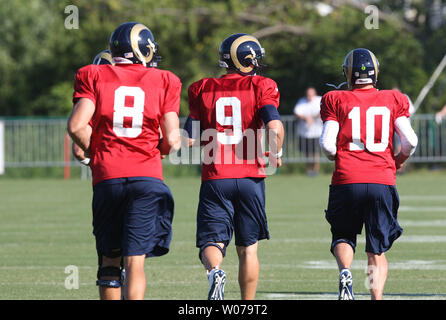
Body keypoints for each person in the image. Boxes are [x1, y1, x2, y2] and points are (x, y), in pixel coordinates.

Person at [67, 22, 182, 300]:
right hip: (147, 178)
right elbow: (173, 139)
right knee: (135, 263)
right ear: (144, 48)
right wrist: (159, 150)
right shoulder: (165, 80)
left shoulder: (93, 74)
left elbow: (76, 127)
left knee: (109, 260)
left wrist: (100, 153)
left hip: (108, 179)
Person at [184, 33, 284, 300]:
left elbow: (189, 138)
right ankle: (246, 304)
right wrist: (276, 152)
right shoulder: (261, 85)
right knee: (248, 248)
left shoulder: (202, 88)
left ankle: (215, 272)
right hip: (251, 177)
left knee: (211, 241)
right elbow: (274, 126)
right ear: (251, 59)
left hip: (216, 176)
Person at [319, 48, 418, 300]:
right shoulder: (393, 99)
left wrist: (335, 157)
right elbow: (411, 141)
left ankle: (345, 272)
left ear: (349, 73)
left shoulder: (335, 98)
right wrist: (398, 161)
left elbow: (328, 145)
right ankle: (376, 297)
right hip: (380, 180)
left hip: (346, 180)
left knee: (343, 235)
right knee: (377, 249)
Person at [72, 50, 114, 166]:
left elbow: (78, 151)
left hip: (109, 173)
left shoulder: (93, 102)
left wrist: (97, 164)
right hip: (143, 171)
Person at [293, 87, 323, 176]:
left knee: (315, 153)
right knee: (306, 153)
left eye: (311, 94)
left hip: (316, 132)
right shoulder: (302, 101)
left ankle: (316, 171)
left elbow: (323, 110)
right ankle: (308, 171)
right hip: (304, 132)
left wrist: (313, 117)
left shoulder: (319, 100)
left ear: (315, 94)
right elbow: (296, 112)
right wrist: (306, 118)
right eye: (308, 94)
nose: (309, 96)